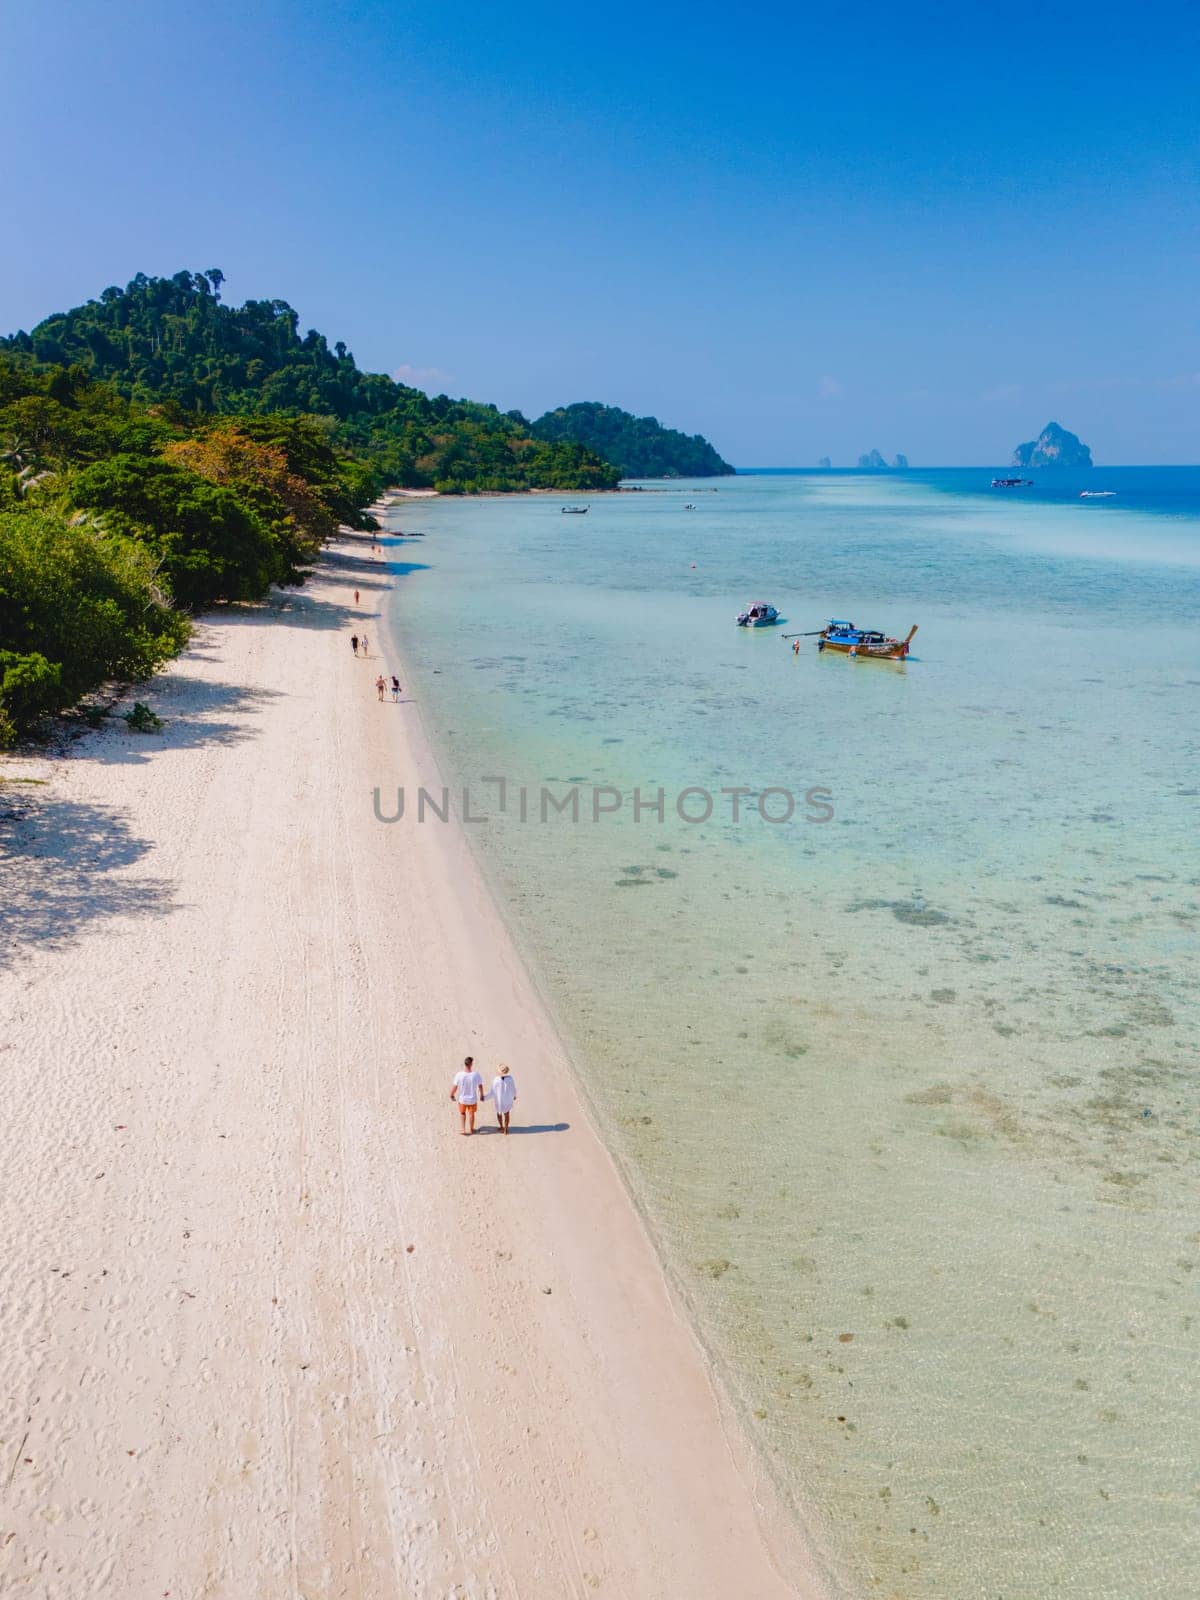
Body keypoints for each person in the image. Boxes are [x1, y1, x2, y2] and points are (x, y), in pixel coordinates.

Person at [450, 1056, 485, 1135]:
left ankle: (463, 1129)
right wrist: (482, 1095)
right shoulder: (476, 1075)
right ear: (471, 1064)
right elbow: (480, 1086)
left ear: (465, 1064)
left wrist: (451, 1095)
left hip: (462, 1099)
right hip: (472, 1099)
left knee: (462, 1113)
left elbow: (455, 1087)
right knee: (471, 1114)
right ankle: (471, 1129)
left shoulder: (459, 1075)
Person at [488, 1064, 517, 1134]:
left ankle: (501, 1127)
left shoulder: (496, 1080)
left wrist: (484, 1097)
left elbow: (492, 1092)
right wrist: (514, 1096)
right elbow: (513, 1088)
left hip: (499, 1100)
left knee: (499, 1114)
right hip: (507, 1100)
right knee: (507, 1114)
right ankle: (506, 1129)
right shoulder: (510, 1079)